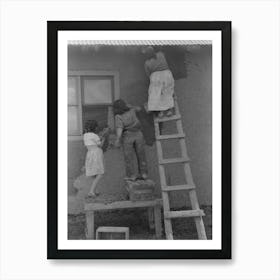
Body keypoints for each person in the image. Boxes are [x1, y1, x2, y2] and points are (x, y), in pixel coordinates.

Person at [113, 99, 148, 181]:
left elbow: (119, 129)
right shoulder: (132, 110)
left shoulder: (118, 116)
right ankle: (144, 174)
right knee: (141, 154)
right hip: (139, 134)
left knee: (128, 157)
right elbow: (139, 108)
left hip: (128, 136)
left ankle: (131, 175)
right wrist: (130, 106)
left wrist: (118, 139)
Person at [143, 46, 175, 118]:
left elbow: (148, 74)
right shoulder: (161, 54)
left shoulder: (147, 63)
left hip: (155, 76)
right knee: (167, 92)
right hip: (167, 74)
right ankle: (169, 111)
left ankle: (160, 113)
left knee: (156, 94)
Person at [83, 120, 106, 197]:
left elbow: (90, 143)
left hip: (89, 153)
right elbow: (100, 145)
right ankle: (91, 191)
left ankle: (95, 190)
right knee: (100, 173)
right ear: (95, 127)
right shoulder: (95, 136)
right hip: (96, 153)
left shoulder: (85, 135)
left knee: (94, 173)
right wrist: (103, 139)